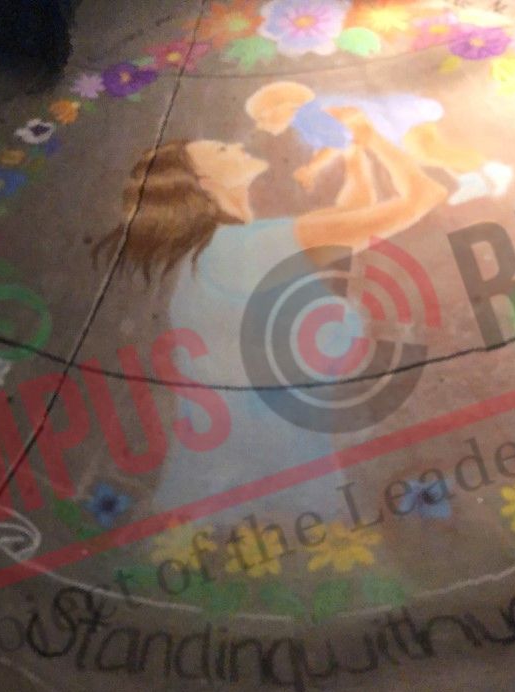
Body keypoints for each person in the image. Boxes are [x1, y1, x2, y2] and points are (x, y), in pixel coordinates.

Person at [94, 109, 447, 516]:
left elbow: (351, 215)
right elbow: (423, 197)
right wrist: (377, 138)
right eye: (221, 150)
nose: (235, 145)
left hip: (238, 449)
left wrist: (354, 153)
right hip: (268, 456)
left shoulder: (231, 244)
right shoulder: (253, 246)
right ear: (208, 184)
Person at [245, 80, 513, 206]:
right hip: (392, 126)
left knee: (427, 151)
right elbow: (332, 143)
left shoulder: (311, 115)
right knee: (425, 154)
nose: (261, 124)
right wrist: (314, 167)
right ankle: (470, 179)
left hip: (401, 119)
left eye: (263, 116)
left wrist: (313, 168)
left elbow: (337, 139)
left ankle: (492, 169)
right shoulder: (304, 122)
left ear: (285, 106)